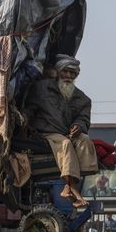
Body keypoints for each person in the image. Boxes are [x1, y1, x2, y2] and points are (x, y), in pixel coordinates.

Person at [26, 54, 97, 208]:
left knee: (85, 140)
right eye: (66, 71)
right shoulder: (41, 88)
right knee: (65, 144)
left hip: (67, 134)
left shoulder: (82, 98)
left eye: (73, 73)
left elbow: (83, 119)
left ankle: (70, 187)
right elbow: (28, 109)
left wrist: (79, 126)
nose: (69, 76)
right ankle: (71, 189)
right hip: (45, 134)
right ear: (58, 72)